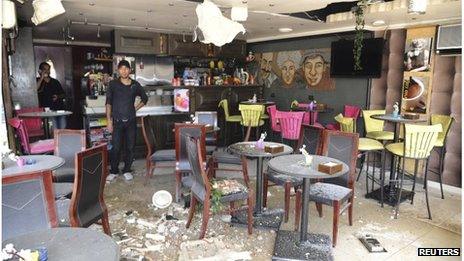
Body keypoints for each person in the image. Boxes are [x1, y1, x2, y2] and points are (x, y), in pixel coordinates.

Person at [106, 60, 148, 181]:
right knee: (116, 147)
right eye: (121, 68)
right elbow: (108, 102)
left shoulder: (135, 85)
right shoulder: (113, 84)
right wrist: (109, 120)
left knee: (130, 147)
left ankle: (127, 169)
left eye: (126, 68)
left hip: (131, 121)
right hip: (117, 121)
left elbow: (145, 98)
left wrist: (135, 109)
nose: (124, 71)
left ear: (130, 70)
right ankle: (113, 170)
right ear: (118, 70)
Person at [36, 61, 67, 128]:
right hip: (47, 111)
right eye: (45, 69)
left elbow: (64, 94)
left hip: (59, 110)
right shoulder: (37, 81)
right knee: (53, 130)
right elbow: (35, 89)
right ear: (40, 71)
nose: (47, 71)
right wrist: (41, 78)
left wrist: (58, 96)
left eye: (48, 69)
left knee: (62, 129)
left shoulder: (55, 81)